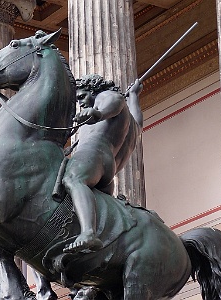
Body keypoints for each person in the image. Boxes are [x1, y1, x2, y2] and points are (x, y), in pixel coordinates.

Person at [62, 74, 143, 253]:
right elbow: (137, 124)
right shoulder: (122, 117)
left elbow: (113, 102)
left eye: (82, 97)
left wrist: (98, 113)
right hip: (106, 172)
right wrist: (135, 96)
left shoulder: (106, 98)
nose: (80, 103)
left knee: (74, 180)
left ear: (94, 90)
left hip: (94, 158)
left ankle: (88, 233)